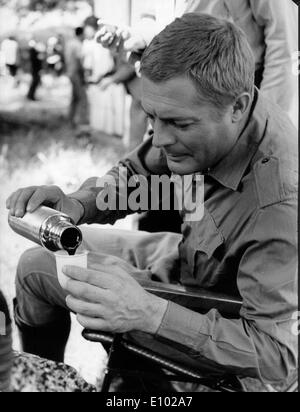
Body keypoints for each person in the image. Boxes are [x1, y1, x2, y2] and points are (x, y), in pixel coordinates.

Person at [7, 14, 297, 389]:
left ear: (238, 106)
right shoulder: (217, 114)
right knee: (37, 264)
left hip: (218, 317)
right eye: (152, 117)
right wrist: (78, 204)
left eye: (177, 123)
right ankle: (45, 379)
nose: (158, 139)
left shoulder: (278, 207)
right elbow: (143, 176)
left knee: (37, 269)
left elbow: (277, 356)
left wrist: (148, 313)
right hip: (188, 259)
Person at [65, 27, 89, 128]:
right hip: (76, 74)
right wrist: (84, 75)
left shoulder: (69, 43)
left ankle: (71, 121)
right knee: (82, 99)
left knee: (75, 98)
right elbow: (80, 61)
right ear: (81, 34)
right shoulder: (78, 44)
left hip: (70, 72)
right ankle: (81, 123)